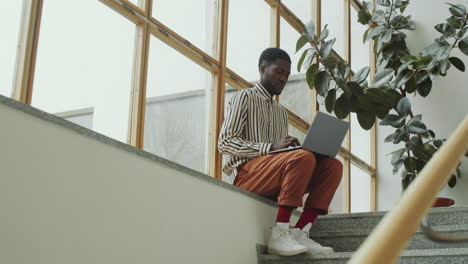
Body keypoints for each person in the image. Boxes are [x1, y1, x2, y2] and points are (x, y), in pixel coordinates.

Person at [218, 48, 343, 256]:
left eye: (287, 74)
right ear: (263, 69)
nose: (284, 78)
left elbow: (282, 156)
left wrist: (290, 148)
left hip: (273, 176)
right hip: (245, 176)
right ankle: (279, 232)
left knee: (332, 165)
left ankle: (301, 231)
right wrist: (271, 147)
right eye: (279, 72)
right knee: (302, 157)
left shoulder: (280, 113)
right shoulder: (243, 97)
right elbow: (225, 142)